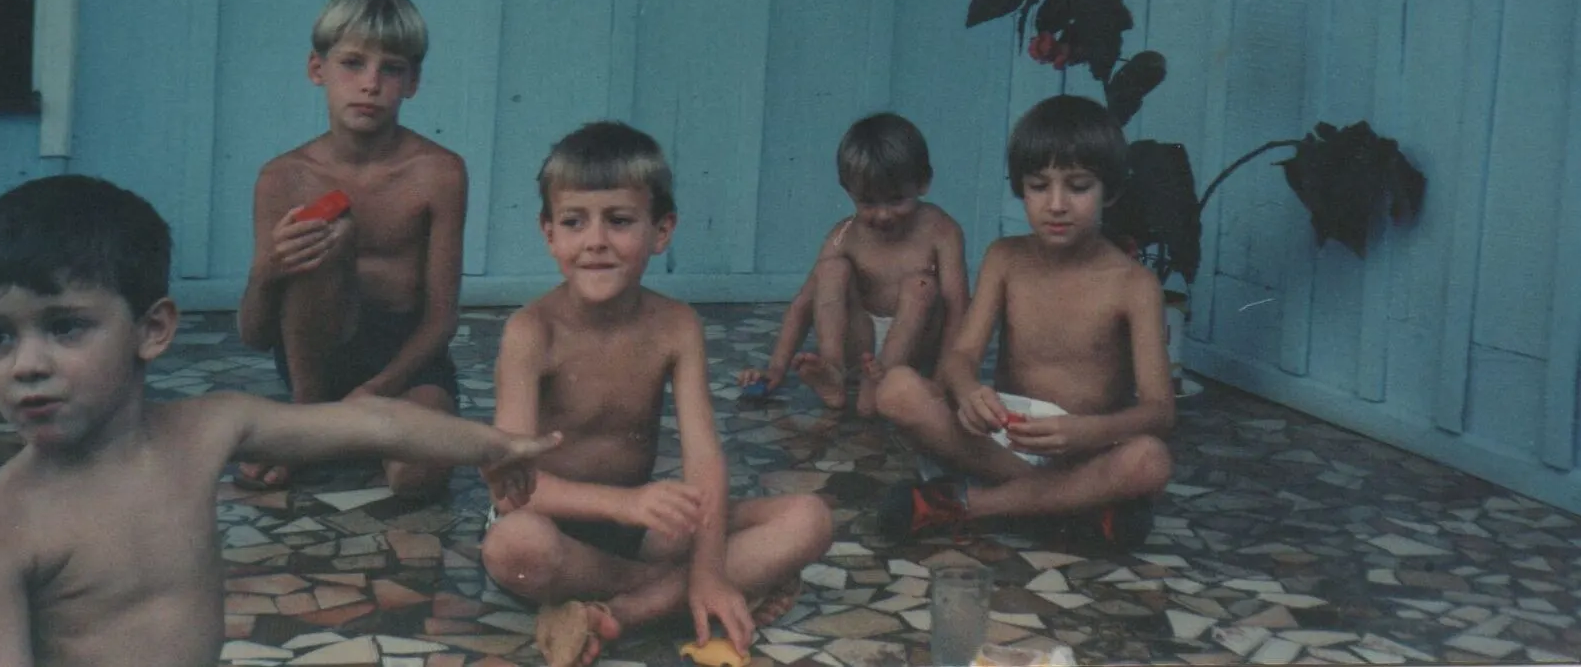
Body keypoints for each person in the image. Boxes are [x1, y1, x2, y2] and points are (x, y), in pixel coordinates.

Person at [0, 175, 558, 667]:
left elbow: (373, 424)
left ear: (152, 329)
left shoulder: (205, 431)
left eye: (64, 327)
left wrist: (489, 445)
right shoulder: (5, 531)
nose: (26, 365)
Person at [480, 122, 833, 667]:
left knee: (809, 517)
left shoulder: (676, 326)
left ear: (661, 230)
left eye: (619, 221)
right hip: (552, 527)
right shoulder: (532, 332)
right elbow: (509, 490)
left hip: (640, 532)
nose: (596, 240)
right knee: (511, 547)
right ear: (549, 233)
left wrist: (711, 563)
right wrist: (627, 505)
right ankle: (673, 595)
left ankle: (623, 613)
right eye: (575, 222)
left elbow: (703, 457)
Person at [873, 95, 1174, 549]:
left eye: (1078, 186)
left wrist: (1084, 432)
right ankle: (1075, 506)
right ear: (1020, 188)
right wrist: (970, 392)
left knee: (1150, 460)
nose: (1056, 204)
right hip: (1003, 441)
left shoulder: (1134, 284)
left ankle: (967, 505)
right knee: (897, 389)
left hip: (1082, 447)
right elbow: (962, 355)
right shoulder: (1005, 258)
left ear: (1109, 190)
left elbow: (1159, 410)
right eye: (1038, 186)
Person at [234, 0, 468, 497]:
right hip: (314, 365)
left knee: (419, 476)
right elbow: (253, 334)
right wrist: (267, 270)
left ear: (413, 82)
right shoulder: (284, 177)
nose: (370, 84)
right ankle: (310, 419)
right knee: (328, 236)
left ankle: (335, 434)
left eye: (391, 69)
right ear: (317, 70)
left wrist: (375, 393)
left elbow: (441, 319)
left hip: (404, 362)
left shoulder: (438, 173)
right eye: (352, 64)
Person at [738, 112, 968, 415]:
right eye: (869, 203)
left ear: (923, 182)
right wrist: (776, 369)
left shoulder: (942, 230)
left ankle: (883, 381)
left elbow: (958, 308)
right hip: (860, 342)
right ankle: (834, 373)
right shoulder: (843, 235)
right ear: (848, 191)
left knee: (921, 284)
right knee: (831, 269)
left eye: (897, 200)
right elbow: (803, 304)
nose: (883, 215)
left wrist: (942, 383)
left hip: (916, 341)